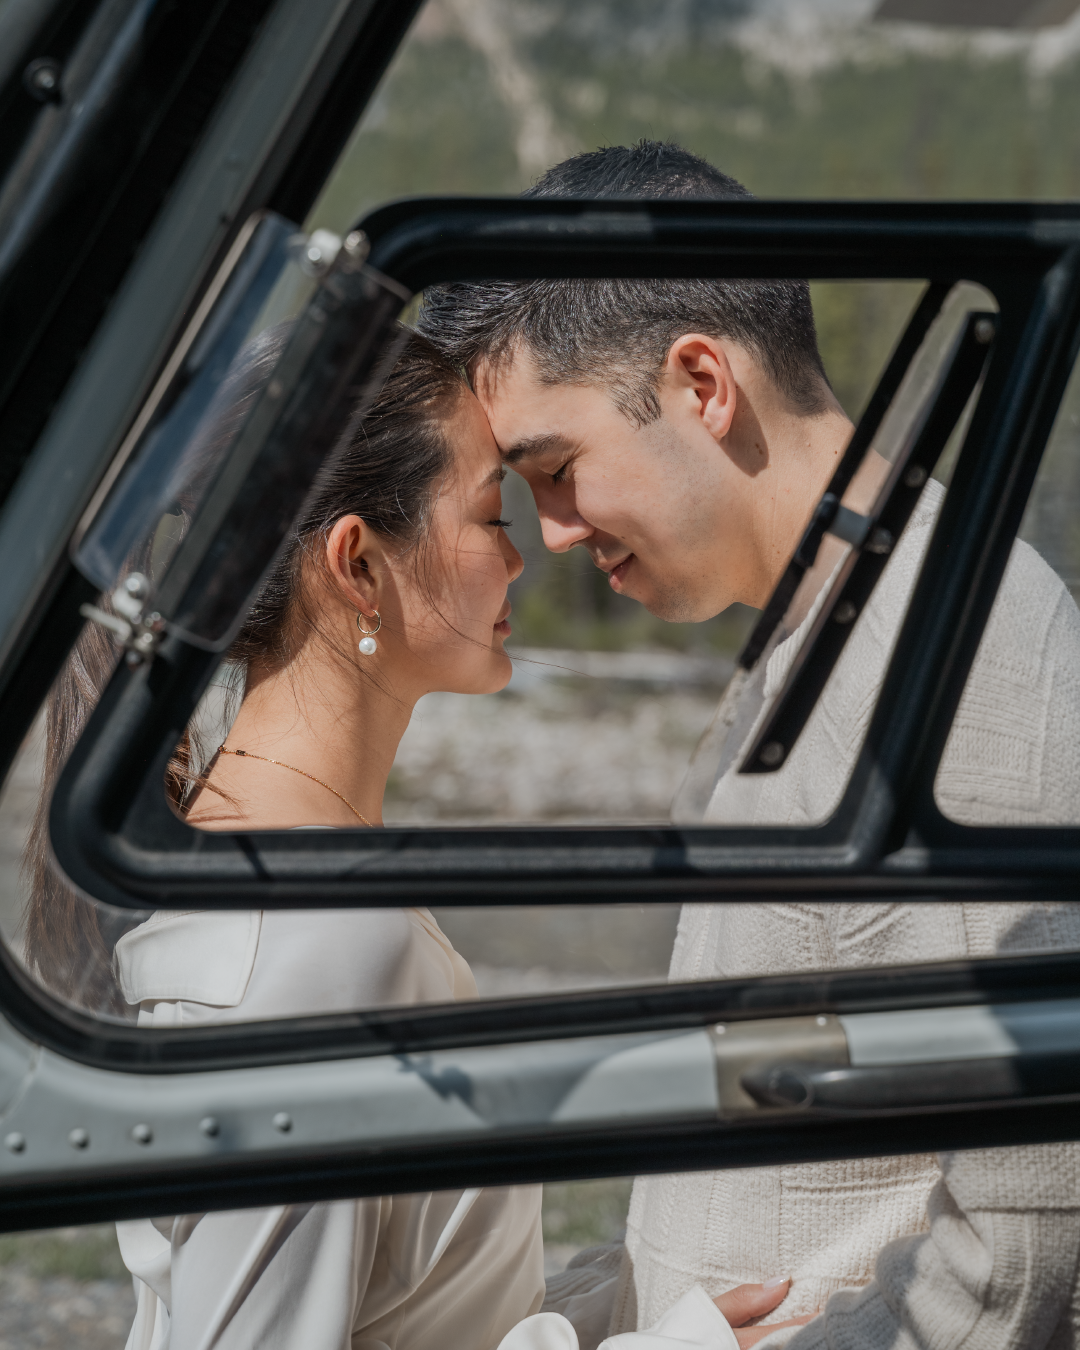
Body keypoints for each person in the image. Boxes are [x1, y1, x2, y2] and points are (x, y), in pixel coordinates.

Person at [419, 140, 1080, 1349]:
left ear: (703, 384)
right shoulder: (811, 640)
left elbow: (1028, 1238)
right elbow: (769, 1125)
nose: (552, 534)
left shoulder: (962, 650)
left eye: (556, 471)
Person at [25, 323, 802, 1350]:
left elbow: (400, 1317)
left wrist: (613, 1303)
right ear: (358, 565)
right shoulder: (313, 942)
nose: (523, 554)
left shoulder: (265, 868)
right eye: (489, 514)